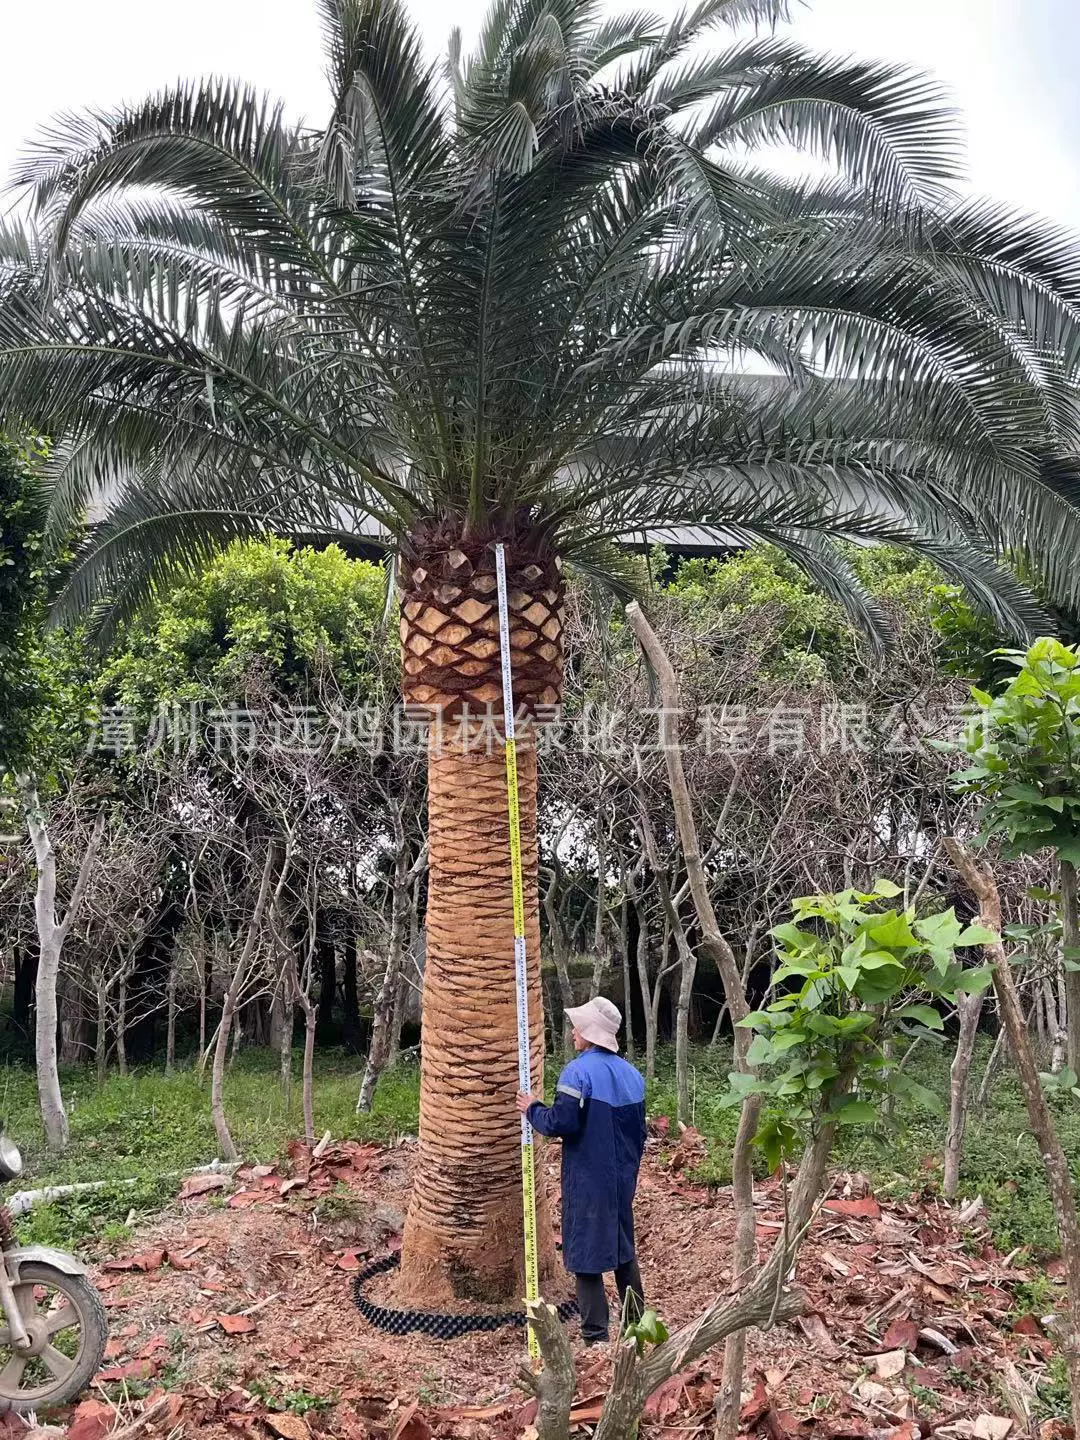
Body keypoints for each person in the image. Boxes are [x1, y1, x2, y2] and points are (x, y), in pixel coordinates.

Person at [516, 996, 646, 1346]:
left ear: (590, 1033)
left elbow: (563, 1122)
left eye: (579, 1026)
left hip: (589, 1177)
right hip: (623, 1177)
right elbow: (640, 1132)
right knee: (622, 1249)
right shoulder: (632, 1075)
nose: (574, 1032)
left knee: (586, 1253)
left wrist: (533, 1110)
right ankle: (637, 1326)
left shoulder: (578, 1072)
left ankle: (596, 1337)